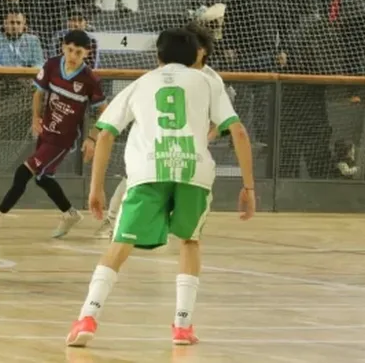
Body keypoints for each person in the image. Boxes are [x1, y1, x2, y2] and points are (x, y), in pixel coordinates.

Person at [66, 28, 255, 348]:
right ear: (197, 55)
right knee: (190, 241)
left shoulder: (142, 83)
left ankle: (88, 316)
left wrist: (95, 187)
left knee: (119, 245)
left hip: (147, 171)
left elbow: (106, 133)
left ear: (158, 56)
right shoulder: (209, 82)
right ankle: (182, 325)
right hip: (193, 172)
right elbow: (237, 132)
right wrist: (248, 186)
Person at [95, 22, 234, 238]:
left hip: (188, 148)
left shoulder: (211, 79)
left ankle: (172, 230)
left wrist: (205, 138)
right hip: (158, 142)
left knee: (182, 199)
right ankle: (112, 221)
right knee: (133, 180)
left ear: (203, 51)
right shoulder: (165, 72)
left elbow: (224, 123)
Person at [0, 30, 106, 238]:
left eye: (78, 53)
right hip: (46, 131)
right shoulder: (52, 65)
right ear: (63, 47)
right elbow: (38, 93)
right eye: (70, 50)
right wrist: (35, 117)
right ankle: (70, 213)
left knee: (23, 172)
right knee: (43, 178)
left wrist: (92, 136)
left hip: (63, 138)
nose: (72, 56)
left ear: (86, 54)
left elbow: (103, 111)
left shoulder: (90, 79)